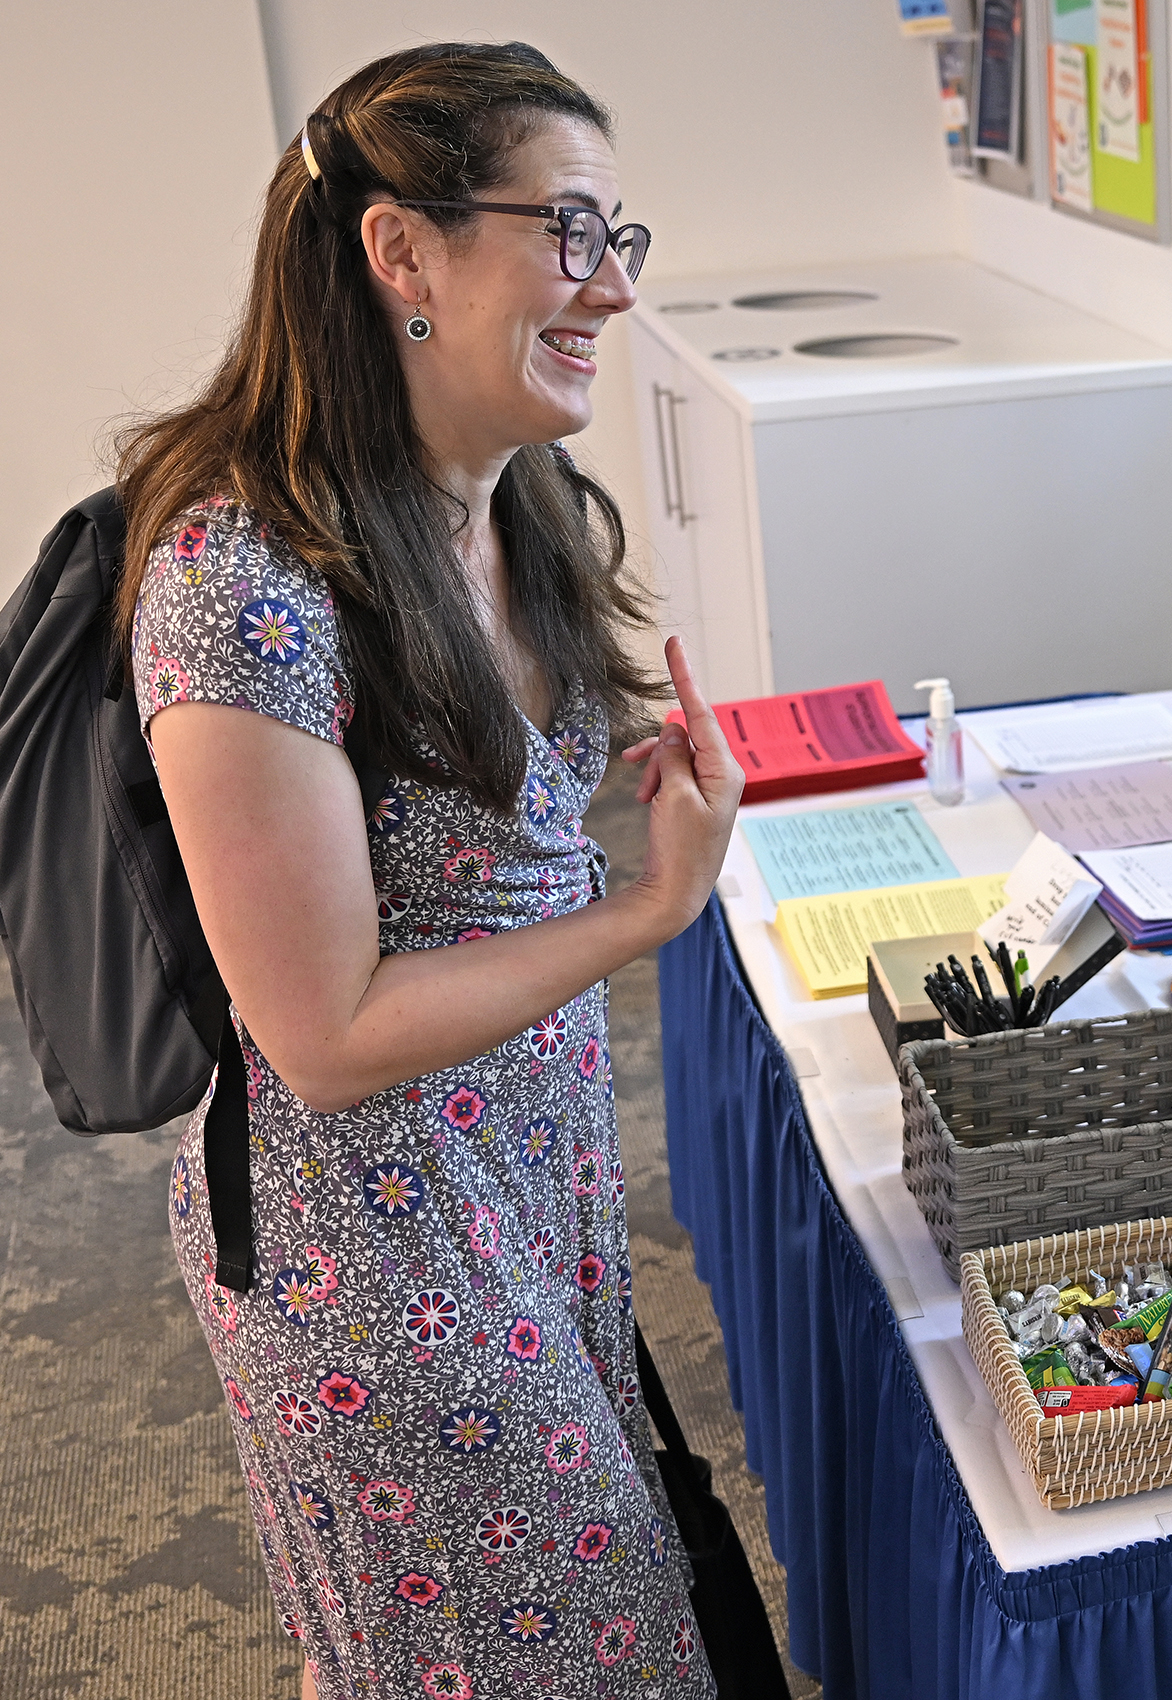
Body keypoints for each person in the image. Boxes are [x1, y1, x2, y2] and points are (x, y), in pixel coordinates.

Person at [114, 44, 740, 1699]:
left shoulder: (507, 501)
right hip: (372, 1259)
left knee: (466, 1652)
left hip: (528, 1185)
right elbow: (318, 1030)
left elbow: (477, 844)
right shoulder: (238, 583)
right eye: (570, 232)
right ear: (403, 253)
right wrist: (643, 908)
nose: (607, 289)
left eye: (623, 241)